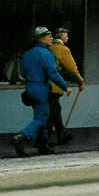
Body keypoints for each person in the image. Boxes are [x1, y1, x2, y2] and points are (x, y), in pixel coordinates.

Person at [11, 27, 70, 157]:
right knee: (42, 117)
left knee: (41, 115)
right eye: (48, 36)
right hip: (41, 88)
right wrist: (65, 86)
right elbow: (53, 73)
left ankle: (43, 145)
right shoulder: (46, 53)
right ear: (42, 38)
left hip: (30, 87)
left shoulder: (27, 54)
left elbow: (23, 73)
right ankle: (21, 137)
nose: (51, 38)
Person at [47, 27, 85, 145]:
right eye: (66, 35)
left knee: (52, 111)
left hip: (43, 85)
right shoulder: (62, 49)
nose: (67, 37)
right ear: (61, 37)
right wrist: (80, 81)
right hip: (54, 86)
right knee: (54, 111)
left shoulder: (48, 48)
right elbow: (71, 68)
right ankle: (50, 136)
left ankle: (59, 134)